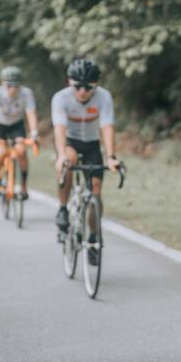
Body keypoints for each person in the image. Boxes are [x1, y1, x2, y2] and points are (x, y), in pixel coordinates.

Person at [51, 58, 120, 263]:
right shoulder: (60, 98)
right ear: (69, 82)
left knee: (96, 193)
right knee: (68, 161)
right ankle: (63, 208)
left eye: (88, 87)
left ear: (96, 84)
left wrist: (110, 157)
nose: (82, 91)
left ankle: (93, 236)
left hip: (91, 144)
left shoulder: (103, 97)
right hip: (70, 142)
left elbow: (107, 127)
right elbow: (59, 129)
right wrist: (61, 155)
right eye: (77, 86)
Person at [0, 66, 39, 199]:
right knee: (1, 151)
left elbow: (31, 114)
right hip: (0, 125)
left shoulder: (27, 93)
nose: (13, 89)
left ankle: (24, 186)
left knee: (21, 151)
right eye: (9, 85)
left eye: (16, 85)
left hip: (16, 124)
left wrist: (34, 133)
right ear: (3, 84)